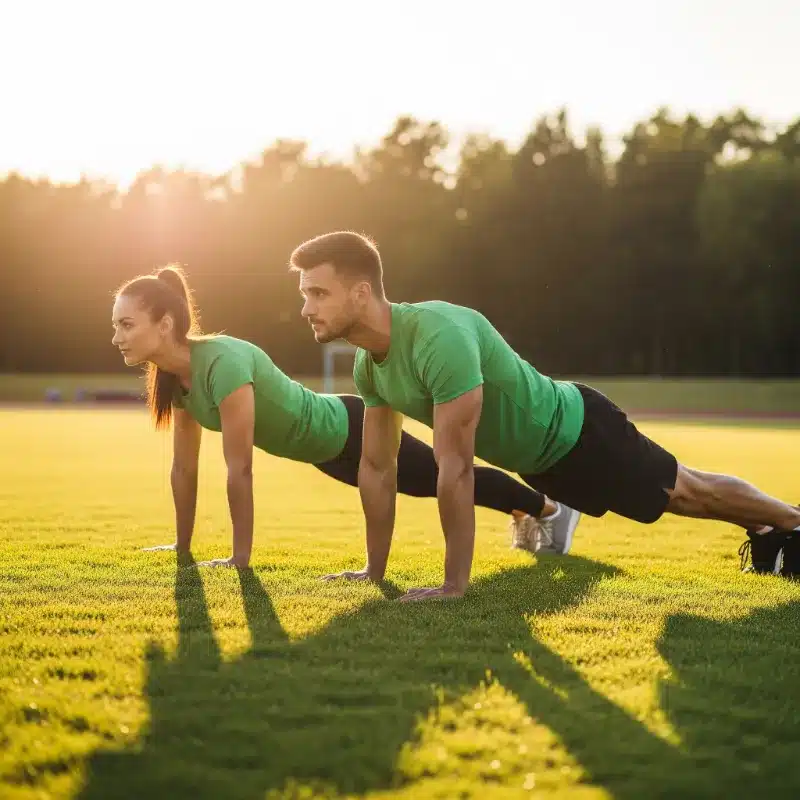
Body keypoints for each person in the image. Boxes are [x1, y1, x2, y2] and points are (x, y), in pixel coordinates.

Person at [288, 230, 800, 602]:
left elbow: (457, 468)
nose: (306, 307)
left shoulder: (438, 336)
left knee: (689, 493)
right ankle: (769, 528)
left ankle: (789, 521)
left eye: (318, 293)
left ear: (360, 292)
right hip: (542, 466)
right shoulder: (368, 368)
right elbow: (378, 469)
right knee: (677, 503)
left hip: (579, 431)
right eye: (304, 293)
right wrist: (373, 572)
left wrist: (453, 586)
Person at [110, 265, 581, 570]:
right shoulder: (175, 381)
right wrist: (182, 548)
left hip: (347, 429)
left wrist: (239, 558)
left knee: (441, 477)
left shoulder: (223, 363)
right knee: (431, 480)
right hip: (324, 452)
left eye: (126, 324)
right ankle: (531, 508)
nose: (117, 337)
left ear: (165, 324)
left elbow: (240, 469)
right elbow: (184, 468)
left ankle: (548, 509)